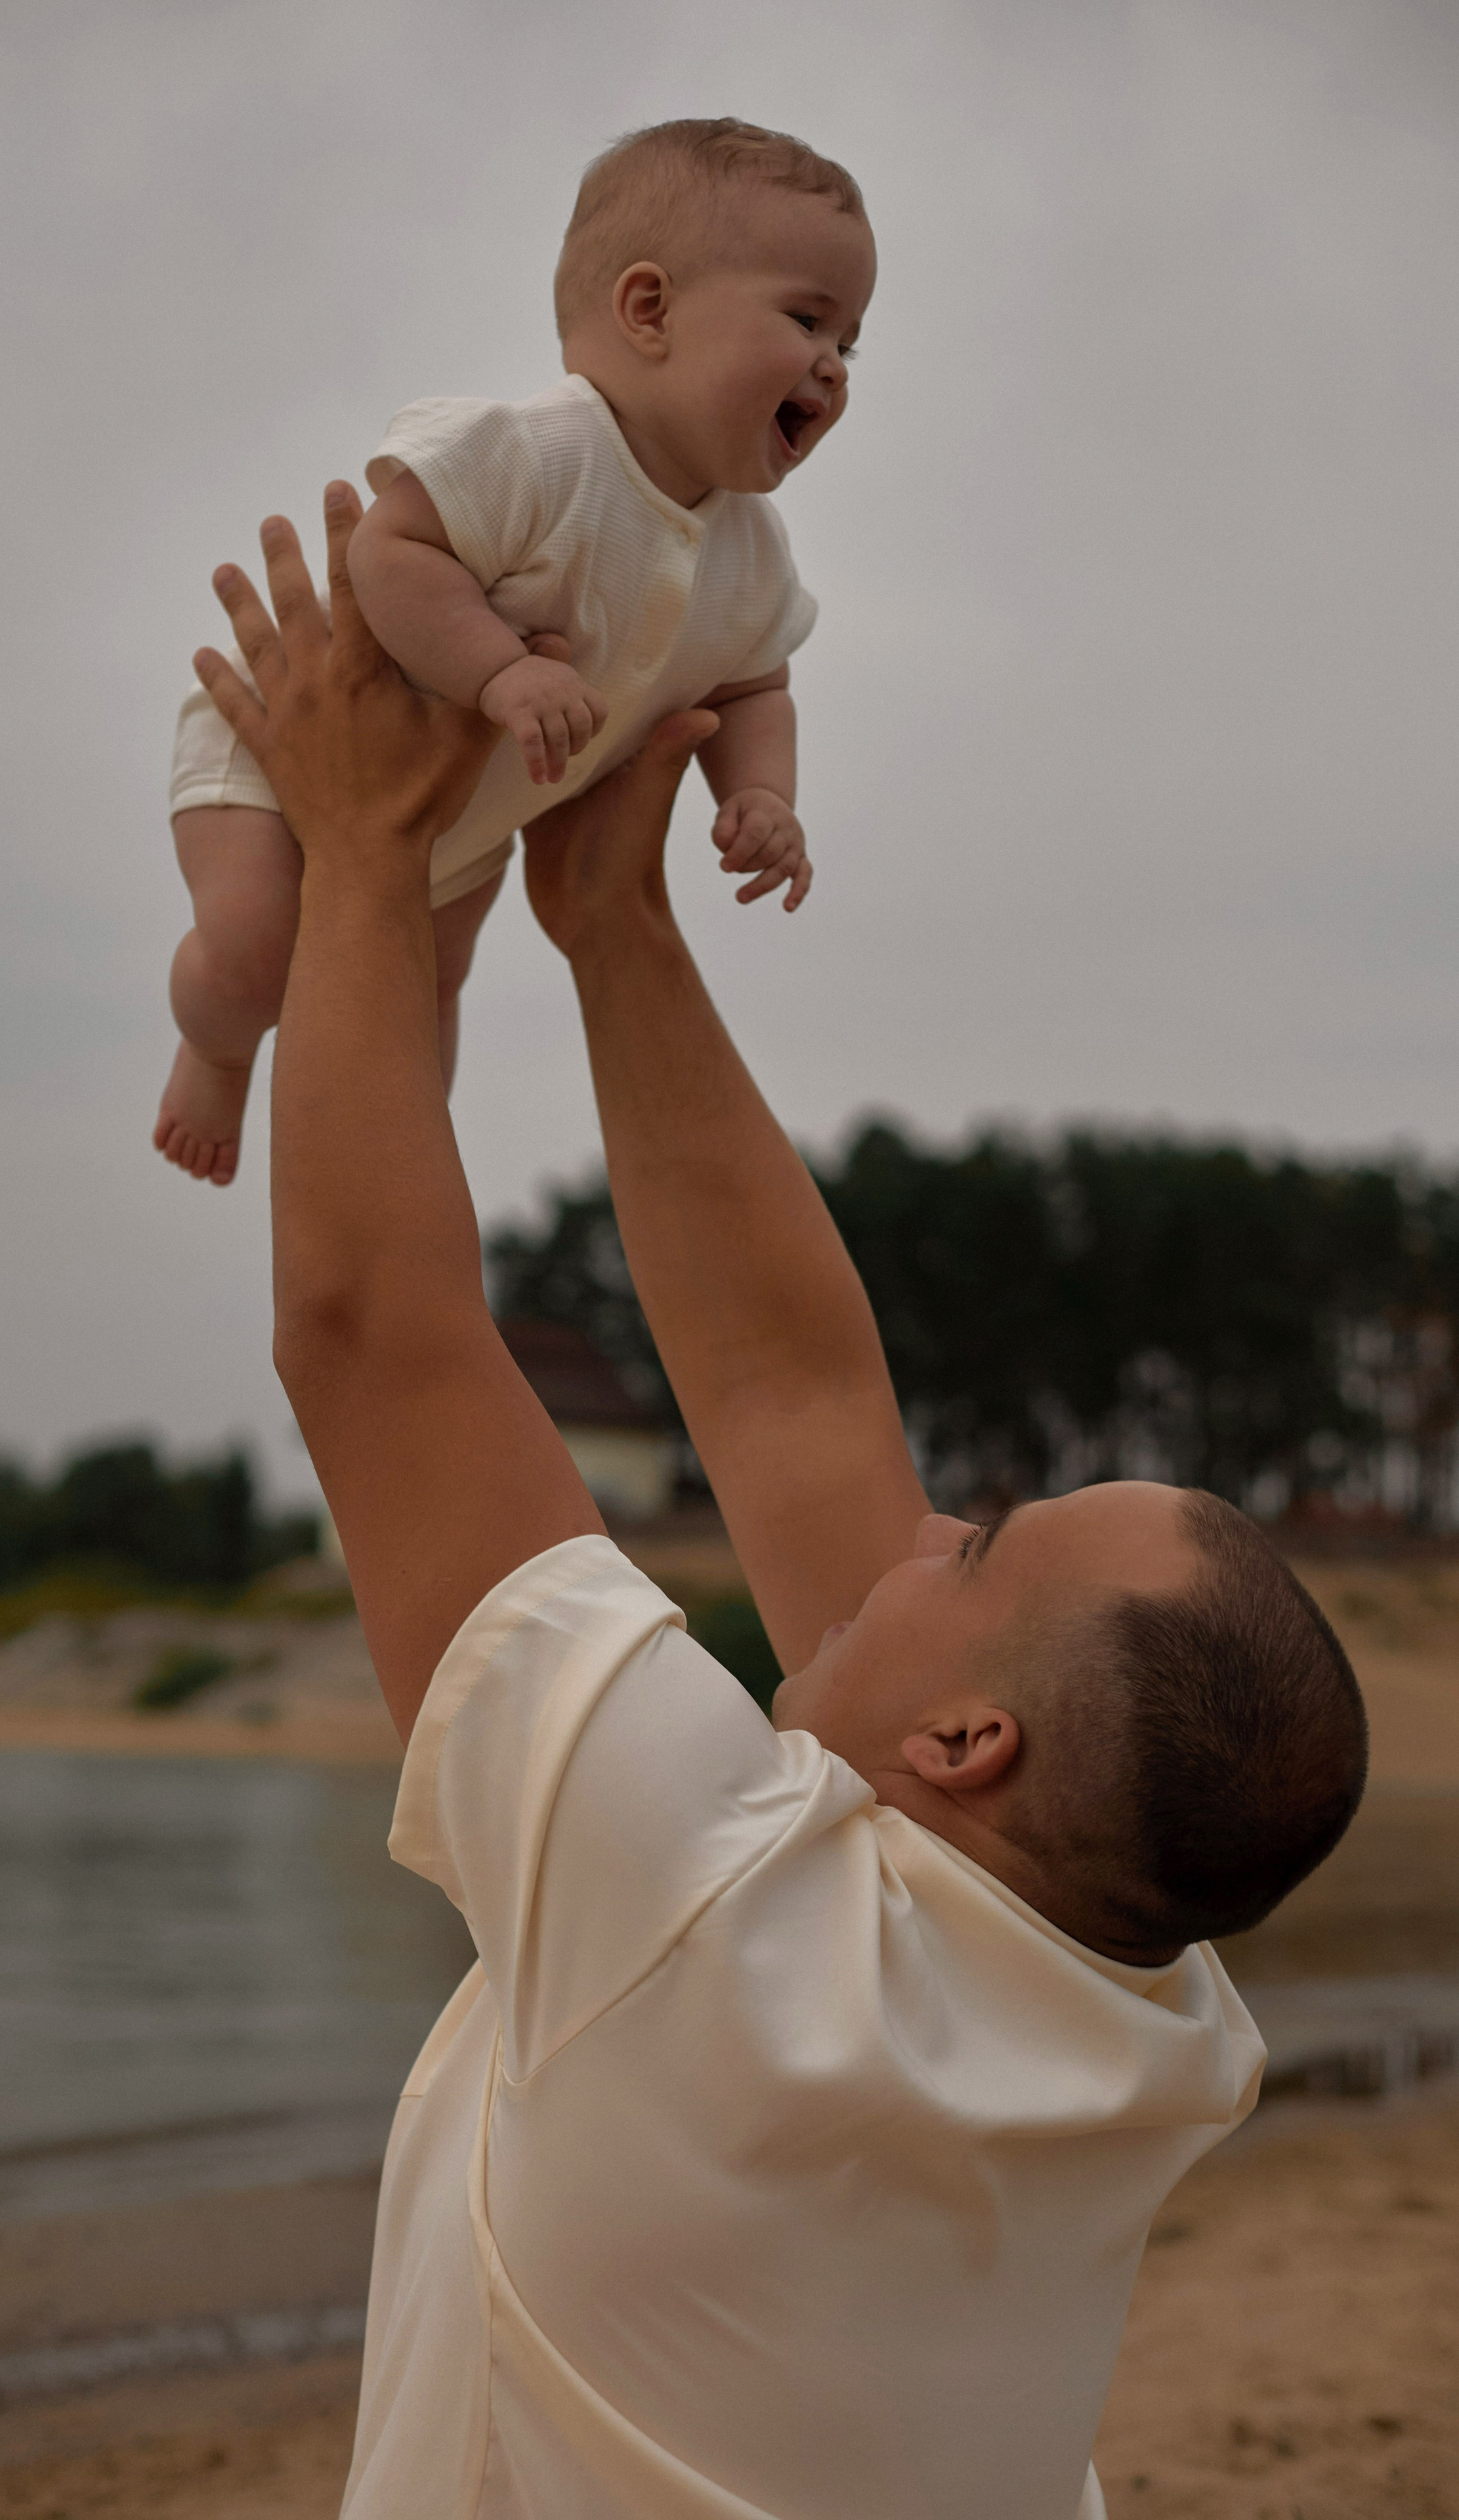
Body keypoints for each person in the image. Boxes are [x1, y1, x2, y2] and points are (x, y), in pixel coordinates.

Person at [193, 492, 1368, 2520]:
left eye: (977, 1549)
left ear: (968, 1741)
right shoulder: (1151, 2004)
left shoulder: (703, 1912)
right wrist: (614, 927)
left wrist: (365, 848)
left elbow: (371, 1331)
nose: (916, 1530)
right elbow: (796, 1394)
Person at [155, 117, 876, 1183]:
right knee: (257, 952)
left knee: (427, 990)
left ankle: (392, 1176)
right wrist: (501, 666)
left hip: (460, 821)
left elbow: (758, 680)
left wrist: (765, 792)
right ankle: (214, 1052)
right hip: (277, 764)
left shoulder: (753, 552)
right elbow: (393, 552)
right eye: (809, 319)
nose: (832, 364)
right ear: (650, 310)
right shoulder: (543, 449)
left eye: (852, 340)